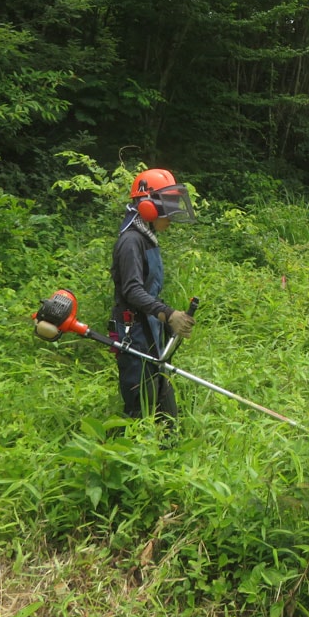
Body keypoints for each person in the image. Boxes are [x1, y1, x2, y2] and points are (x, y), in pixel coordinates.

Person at [109, 167, 197, 424]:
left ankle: (166, 451)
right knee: (140, 403)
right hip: (133, 331)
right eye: (168, 205)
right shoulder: (131, 242)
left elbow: (148, 289)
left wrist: (165, 320)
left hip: (149, 325)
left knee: (163, 400)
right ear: (148, 206)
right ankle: (129, 454)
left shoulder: (147, 237)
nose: (172, 213)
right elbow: (132, 290)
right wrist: (169, 314)